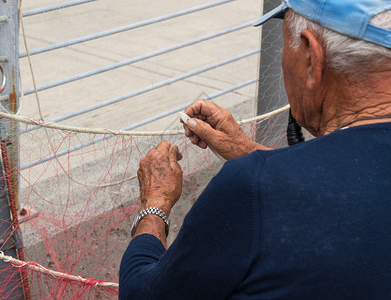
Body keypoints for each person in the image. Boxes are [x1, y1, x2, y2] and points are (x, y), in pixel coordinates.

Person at [119, 0, 391, 299]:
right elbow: (353, 181)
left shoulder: (252, 188)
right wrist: (245, 149)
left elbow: (142, 294)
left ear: (313, 58)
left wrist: (155, 205)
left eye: (286, 45)